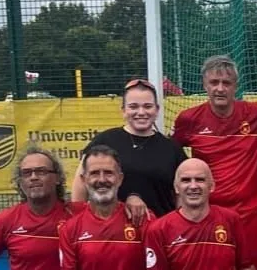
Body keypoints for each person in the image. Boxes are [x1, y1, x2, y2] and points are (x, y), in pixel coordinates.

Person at [172, 56, 257, 269]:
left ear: (235, 86)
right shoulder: (189, 119)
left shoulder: (256, 114)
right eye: (214, 82)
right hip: (208, 216)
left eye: (226, 83)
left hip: (251, 216)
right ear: (205, 84)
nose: (220, 89)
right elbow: (169, 156)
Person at [72, 78, 185, 220]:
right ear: (124, 111)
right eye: (133, 107)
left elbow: (181, 196)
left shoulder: (172, 149)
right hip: (112, 228)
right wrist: (78, 220)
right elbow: (80, 183)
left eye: (147, 106)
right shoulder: (104, 141)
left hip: (159, 227)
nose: (141, 112)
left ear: (157, 110)